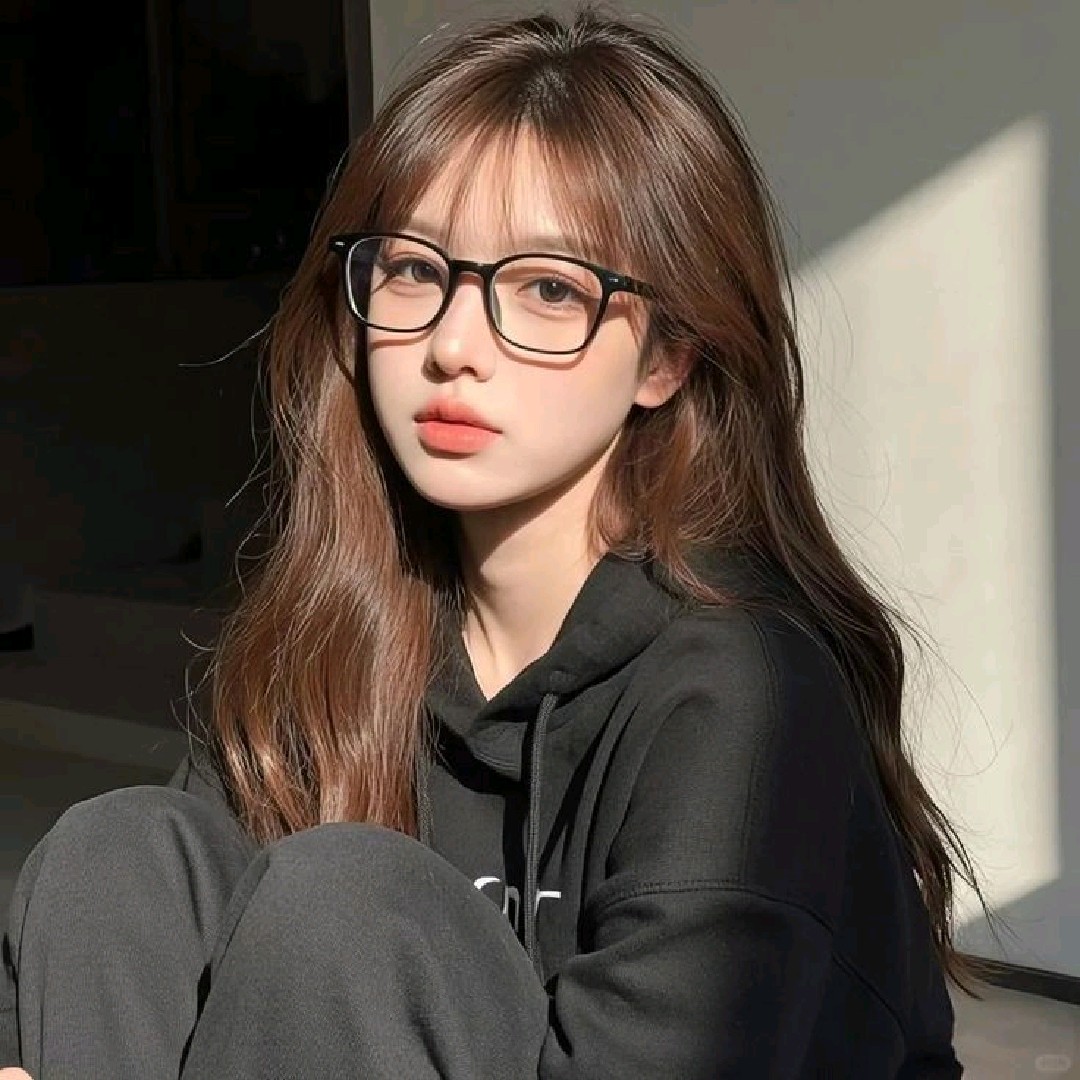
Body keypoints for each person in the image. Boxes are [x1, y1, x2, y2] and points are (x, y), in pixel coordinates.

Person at [1, 7, 985, 1077]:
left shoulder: (743, 692)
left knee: (345, 906)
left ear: (668, 357)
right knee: (117, 857)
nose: (453, 345)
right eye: (415, 270)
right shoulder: (335, 642)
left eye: (550, 287)